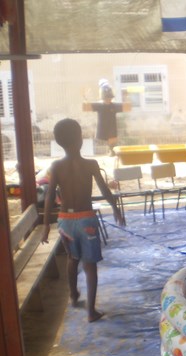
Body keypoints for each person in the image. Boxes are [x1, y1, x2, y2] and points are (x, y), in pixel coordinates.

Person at [41, 118, 124, 323]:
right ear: (80, 139)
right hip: (86, 219)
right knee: (90, 265)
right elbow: (104, 189)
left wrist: (45, 225)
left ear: (59, 142)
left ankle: (73, 295)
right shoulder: (90, 164)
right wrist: (115, 209)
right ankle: (91, 312)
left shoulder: (56, 166)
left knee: (72, 258)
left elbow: (50, 196)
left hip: (65, 220)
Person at [83, 79, 131, 156]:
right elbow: (86, 107)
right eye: (107, 98)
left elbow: (127, 107)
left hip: (111, 128)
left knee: (111, 140)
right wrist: (85, 97)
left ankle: (112, 151)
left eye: (109, 98)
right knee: (105, 140)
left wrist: (126, 96)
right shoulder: (100, 105)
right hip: (104, 128)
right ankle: (111, 151)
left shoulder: (113, 105)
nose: (108, 99)